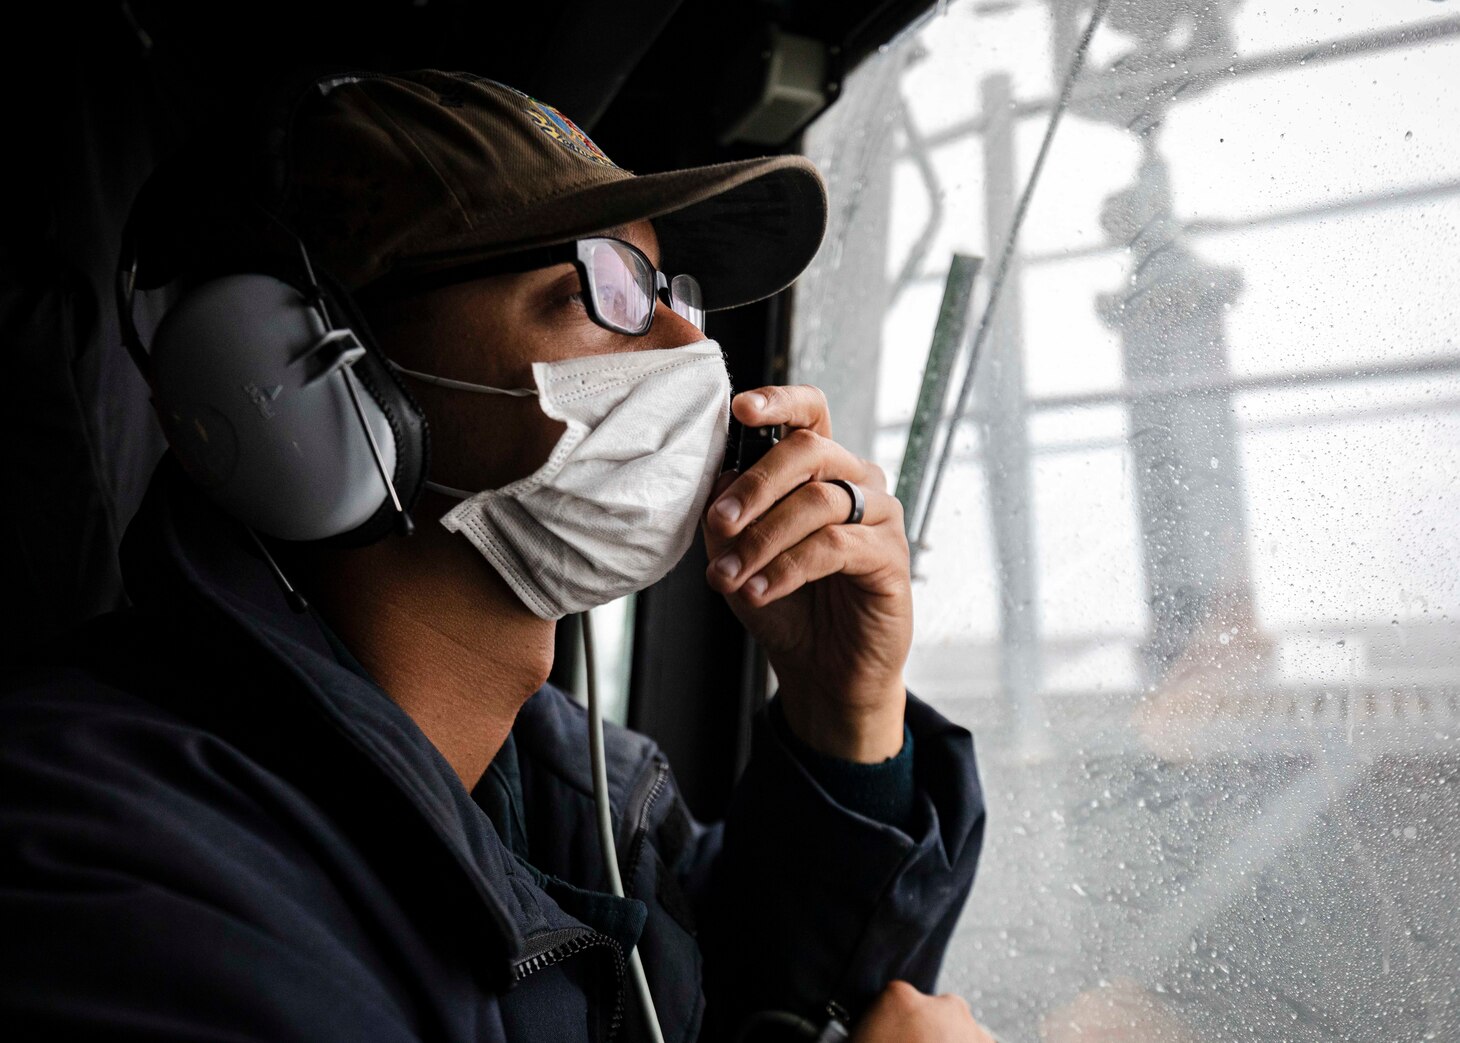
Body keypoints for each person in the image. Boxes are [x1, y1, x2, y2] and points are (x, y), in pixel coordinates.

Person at [0, 70, 990, 1041]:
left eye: (673, 289)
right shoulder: (112, 851)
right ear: (296, 373)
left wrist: (841, 713)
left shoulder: (584, 807)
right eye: (609, 286)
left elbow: (762, 1001)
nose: (695, 344)